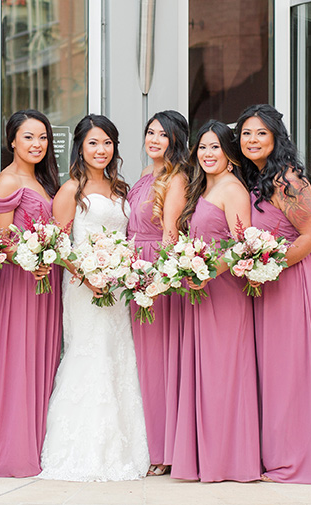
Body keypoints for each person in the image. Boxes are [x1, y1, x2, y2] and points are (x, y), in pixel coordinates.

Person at [236, 104, 311, 486]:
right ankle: (279, 454)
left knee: (293, 370)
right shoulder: (254, 178)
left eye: (260, 133)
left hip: (295, 278)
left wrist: (271, 267)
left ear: (275, 138)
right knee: (275, 372)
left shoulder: (288, 180)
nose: (252, 140)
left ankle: (298, 461)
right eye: (246, 133)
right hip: (268, 280)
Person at [39, 114, 150, 481]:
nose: (101, 150)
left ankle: (126, 446)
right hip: (85, 288)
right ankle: (82, 449)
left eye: (107, 143)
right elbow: (57, 243)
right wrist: (86, 276)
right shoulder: (71, 189)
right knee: (91, 354)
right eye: (93, 143)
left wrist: (121, 271)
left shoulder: (122, 188)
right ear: (80, 147)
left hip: (118, 288)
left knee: (119, 355)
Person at [170, 120, 260, 482]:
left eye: (215, 148)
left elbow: (243, 245)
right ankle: (204, 457)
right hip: (201, 292)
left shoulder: (232, 188)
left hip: (224, 292)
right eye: (202, 148)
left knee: (224, 375)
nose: (208, 154)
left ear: (229, 154)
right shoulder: (203, 189)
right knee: (205, 376)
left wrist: (209, 272)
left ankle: (227, 460)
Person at [0, 109, 62, 477]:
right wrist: (28, 260)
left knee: (40, 361)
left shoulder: (44, 180)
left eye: (42, 137)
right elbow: (0, 239)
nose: (36, 144)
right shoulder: (8, 180)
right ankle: (11, 451)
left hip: (45, 281)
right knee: (18, 361)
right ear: (12, 140)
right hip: (20, 284)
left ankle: (37, 441)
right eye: (28, 137)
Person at [126, 110, 189, 476]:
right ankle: (150, 441)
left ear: (176, 140)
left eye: (163, 135)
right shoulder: (146, 175)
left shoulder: (176, 178)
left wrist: (158, 278)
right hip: (136, 264)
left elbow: (170, 234)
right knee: (143, 360)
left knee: (158, 361)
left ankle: (164, 450)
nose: (154, 140)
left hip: (156, 271)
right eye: (150, 132)